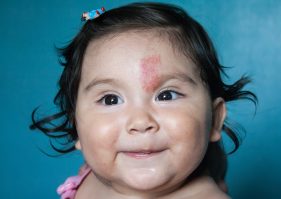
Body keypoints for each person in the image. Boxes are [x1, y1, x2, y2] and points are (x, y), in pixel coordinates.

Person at [30, 2, 257, 199]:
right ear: (77, 126)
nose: (140, 121)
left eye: (166, 95)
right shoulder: (89, 175)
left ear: (215, 119)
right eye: (110, 100)